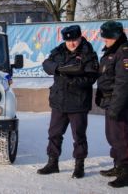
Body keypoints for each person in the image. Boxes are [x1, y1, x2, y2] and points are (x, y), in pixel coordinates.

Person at [37, 25, 99, 178]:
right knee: (54, 133)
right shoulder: (59, 51)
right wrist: (58, 68)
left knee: (78, 135)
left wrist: (73, 81)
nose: (71, 43)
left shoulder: (88, 54)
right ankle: (53, 163)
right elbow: (46, 64)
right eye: (68, 40)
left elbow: (91, 77)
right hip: (59, 101)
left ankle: (79, 165)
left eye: (74, 40)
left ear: (80, 37)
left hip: (78, 102)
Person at [95, 20, 128, 188]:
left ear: (115, 36)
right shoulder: (112, 50)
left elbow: (123, 83)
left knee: (121, 138)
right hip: (110, 101)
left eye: (107, 37)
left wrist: (116, 107)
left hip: (119, 104)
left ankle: (126, 171)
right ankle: (118, 165)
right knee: (113, 136)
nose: (104, 40)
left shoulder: (123, 52)